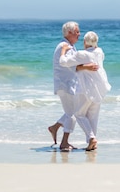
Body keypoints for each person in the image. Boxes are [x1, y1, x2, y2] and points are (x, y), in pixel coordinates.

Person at [48, 21, 98, 151]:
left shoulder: (70, 46)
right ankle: (64, 142)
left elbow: (73, 62)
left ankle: (55, 128)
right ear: (69, 33)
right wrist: (86, 66)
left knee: (72, 112)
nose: (79, 34)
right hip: (64, 85)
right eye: (77, 32)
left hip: (69, 85)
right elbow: (67, 64)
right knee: (72, 114)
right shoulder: (64, 46)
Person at [60, 31, 111, 151]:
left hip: (84, 89)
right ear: (96, 43)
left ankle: (92, 138)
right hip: (99, 89)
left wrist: (63, 51)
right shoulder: (99, 52)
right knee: (93, 116)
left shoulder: (81, 54)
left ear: (84, 42)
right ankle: (92, 142)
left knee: (79, 114)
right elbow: (98, 54)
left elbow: (63, 62)